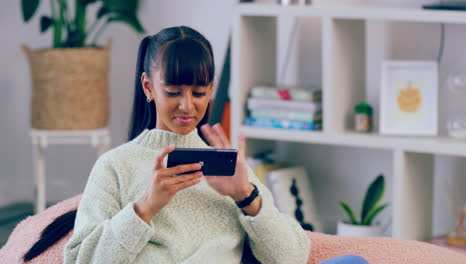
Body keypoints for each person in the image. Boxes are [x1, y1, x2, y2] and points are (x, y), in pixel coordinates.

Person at [23, 26, 367, 264]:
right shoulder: (115, 165)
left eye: (199, 93)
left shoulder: (227, 166)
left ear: (211, 90)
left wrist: (246, 196)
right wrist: (146, 207)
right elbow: (82, 260)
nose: (187, 106)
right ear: (148, 87)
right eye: (173, 92)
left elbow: (290, 257)